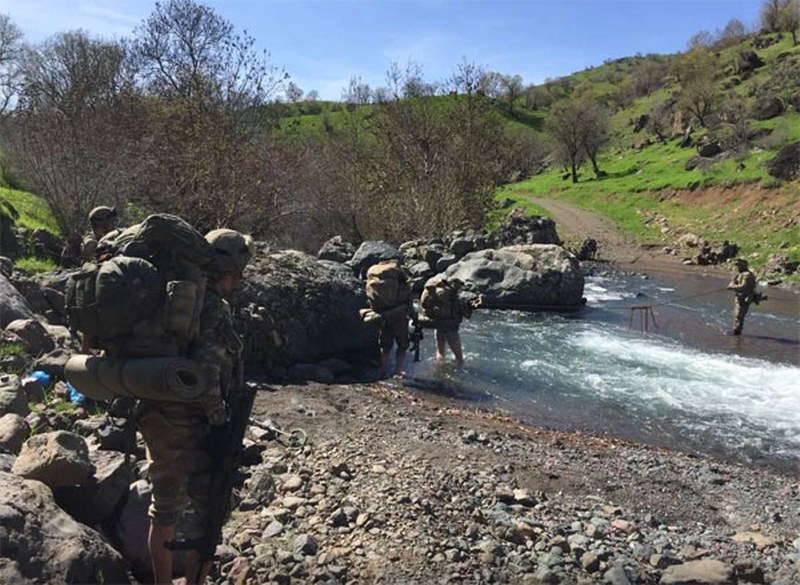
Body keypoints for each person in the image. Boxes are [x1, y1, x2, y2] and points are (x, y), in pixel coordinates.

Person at [137, 227, 252, 585]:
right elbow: (205, 374)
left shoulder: (171, 299)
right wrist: (219, 422)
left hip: (154, 412)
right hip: (190, 424)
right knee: (207, 513)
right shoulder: (213, 308)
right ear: (232, 270)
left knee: (164, 508)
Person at [364, 260, 416, 378]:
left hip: (382, 315)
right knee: (402, 345)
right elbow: (408, 301)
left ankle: (383, 369)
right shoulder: (401, 283)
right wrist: (414, 317)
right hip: (399, 317)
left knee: (385, 344)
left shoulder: (374, 279)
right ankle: (397, 371)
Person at [420, 277, 478, 367]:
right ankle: (458, 372)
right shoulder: (455, 296)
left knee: (440, 352)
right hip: (451, 327)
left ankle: (438, 368)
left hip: (438, 325)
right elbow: (466, 314)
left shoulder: (438, 293)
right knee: (459, 357)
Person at [726, 257, 756, 336]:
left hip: (745, 298)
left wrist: (732, 287)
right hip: (739, 297)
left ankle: (737, 332)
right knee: (736, 314)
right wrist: (732, 284)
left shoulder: (747, 275)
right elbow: (733, 282)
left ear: (743, 265)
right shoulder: (739, 274)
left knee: (739, 315)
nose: (737, 267)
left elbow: (743, 286)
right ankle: (736, 330)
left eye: (739, 265)